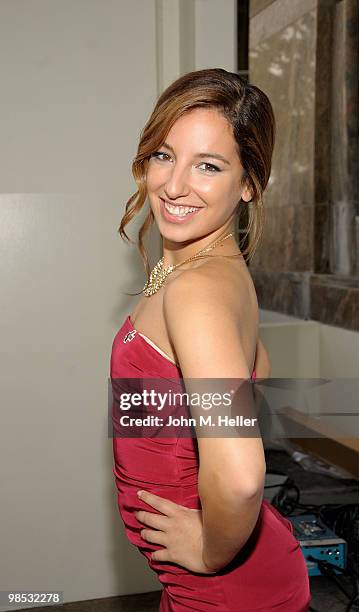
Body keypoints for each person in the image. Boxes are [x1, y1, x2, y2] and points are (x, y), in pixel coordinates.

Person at [110, 68, 311, 611]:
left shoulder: (196, 288)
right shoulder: (216, 270)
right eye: (163, 155)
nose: (175, 186)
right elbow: (257, 368)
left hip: (225, 588)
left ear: (249, 184)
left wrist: (207, 551)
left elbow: (243, 476)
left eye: (208, 166)